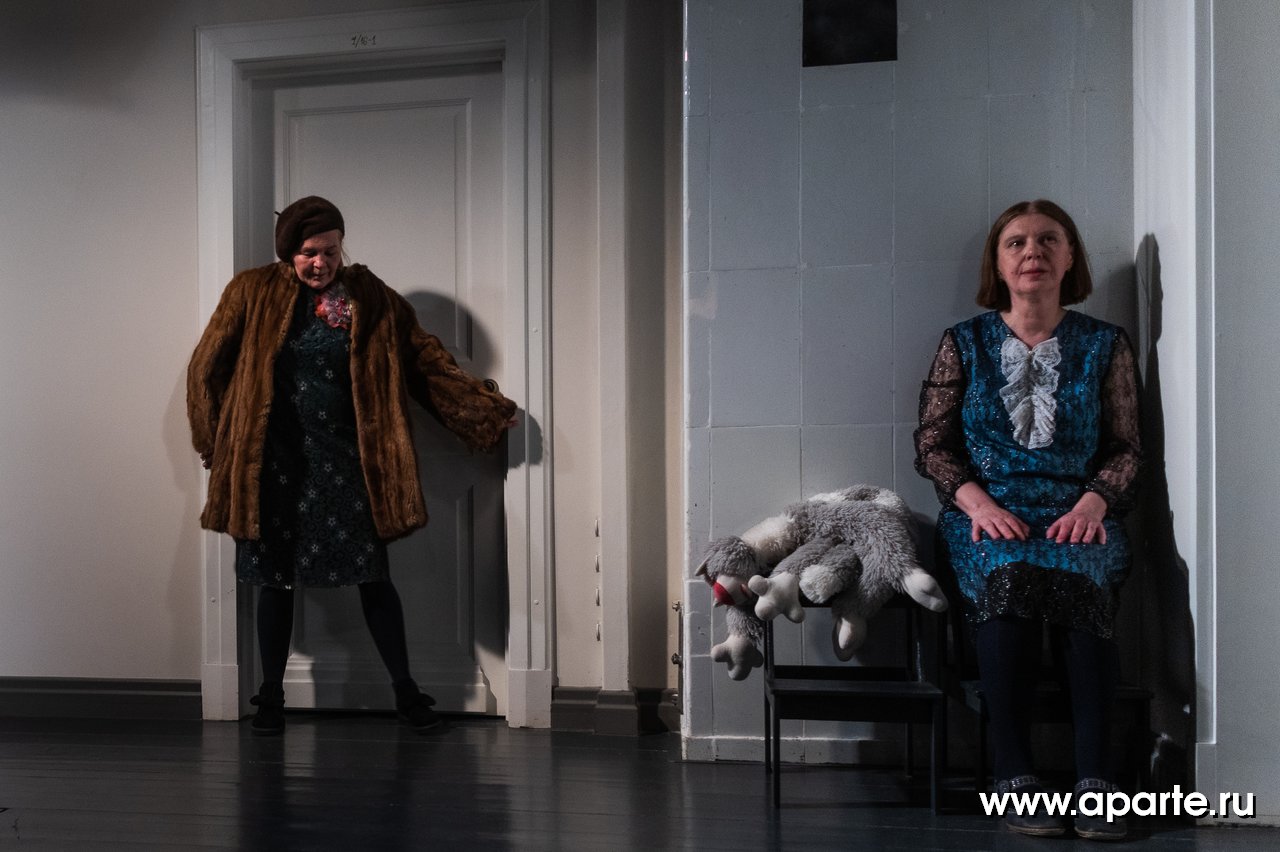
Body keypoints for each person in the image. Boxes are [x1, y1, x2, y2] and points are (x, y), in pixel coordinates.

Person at [187, 196, 517, 735]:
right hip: (274, 465)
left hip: (348, 463)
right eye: (309, 253)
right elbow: (207, 367)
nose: (321, 263)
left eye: (331, 251)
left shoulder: (369, 295)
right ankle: (271, 698)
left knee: (373, 578)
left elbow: (422, 359)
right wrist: (216, 441)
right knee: (275, 580)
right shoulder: (250, 291)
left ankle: (406, 694)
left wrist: (482, 409)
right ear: (289, 252)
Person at [914, 200, 1141, 840]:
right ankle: (1013, 774)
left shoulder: (1105, 344)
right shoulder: (963, 343)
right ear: (997, 262)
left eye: (1047, 240)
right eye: (1015, 242)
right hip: (986, 512)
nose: (1031, 251)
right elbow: (934, 445)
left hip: (1079, 509)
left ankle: (1096, 780)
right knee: (1007, 574)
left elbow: (1127, 447)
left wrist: (1093, 503)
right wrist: (980, 504)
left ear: (1070, 258)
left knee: (1084, 576)